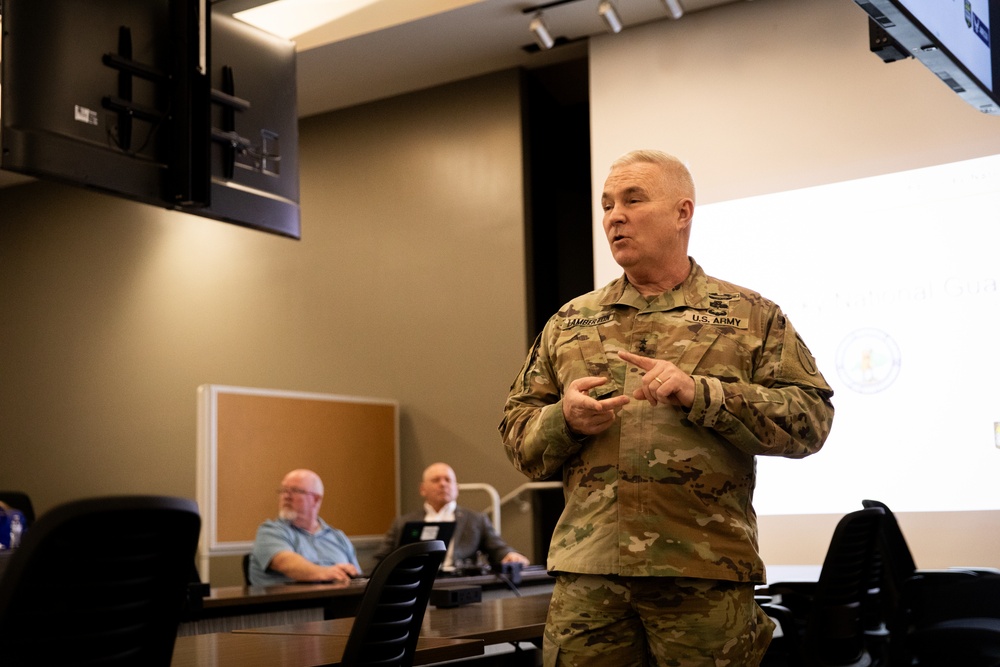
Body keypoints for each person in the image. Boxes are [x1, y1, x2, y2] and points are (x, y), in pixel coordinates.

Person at [499, 149, 835, 666]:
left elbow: (811, 418)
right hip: (591, 580)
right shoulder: (570, 322)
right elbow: (518, 435)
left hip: (702, 575)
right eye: (607, 204)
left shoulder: (750, 316)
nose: (615, 215)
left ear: (682, 213)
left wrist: (705, 394)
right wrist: (562, 420)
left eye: (634, 200)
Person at [373, 462, 530, 571]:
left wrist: (510, 555)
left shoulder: (475, 520)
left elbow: (498, 548)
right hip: (413, 588)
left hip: (459, 584)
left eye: (448, 480)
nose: (443, 484)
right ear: (422, 489)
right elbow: (381, 559)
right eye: (436, 480)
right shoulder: (403, 522)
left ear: (457, 488)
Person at [248, 468, 360, 586]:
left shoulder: (338, 537)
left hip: (338, 602)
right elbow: (286, 563)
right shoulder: (270, 532)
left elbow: (356, 576)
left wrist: (350, 573)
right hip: (291, 603)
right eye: (283, 490)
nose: (286, 496)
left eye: (295, 491)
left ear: (316, 499)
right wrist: (326, 572)